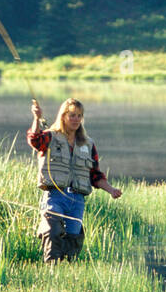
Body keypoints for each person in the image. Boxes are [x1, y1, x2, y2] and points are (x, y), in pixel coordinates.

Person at [27, 97, 121, 262]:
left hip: (77, 200)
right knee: (52, 231)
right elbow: (34, 140)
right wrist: (36, 118)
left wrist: (111, 190)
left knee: (73, 240)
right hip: (54, 196)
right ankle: (51, 268)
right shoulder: (50, 137)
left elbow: (95, 175)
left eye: (79, 115)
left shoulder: (88, 144)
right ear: (63, 116)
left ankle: (66, 270)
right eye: (72, 115)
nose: (76, 119)